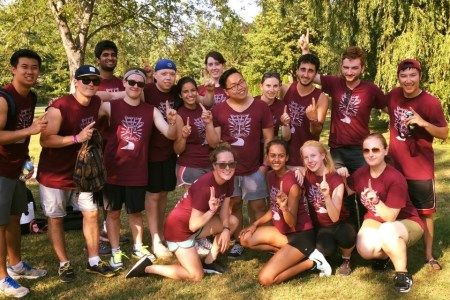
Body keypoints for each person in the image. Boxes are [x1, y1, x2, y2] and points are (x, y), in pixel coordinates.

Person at [37, 65, 115, 283]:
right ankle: (64, 263)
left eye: (95, 80)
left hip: (83, 173)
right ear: (76, 81)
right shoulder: (59, 107)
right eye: (86, 80)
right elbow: (45, 140)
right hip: (54, 174)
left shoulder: (96, 102)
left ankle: (93, 260)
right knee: (56, 218)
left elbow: (116, 95)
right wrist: (76, 138)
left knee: (91, 213)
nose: (91, 84)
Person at [300, 32, 386, 229]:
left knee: (365, 194)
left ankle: (368, 232)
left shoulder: (370, 89)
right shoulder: (334, 83)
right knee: (343, 194)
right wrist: (306, 51)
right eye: (346, 67)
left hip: (361, 151)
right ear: (341, 66)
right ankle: (348, 237)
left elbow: (389, 108)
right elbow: (311, 74)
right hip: (337, 151)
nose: (349, 71)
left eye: (354, 68)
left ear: (362, 68)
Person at [98, 69, 177, 271]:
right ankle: (115, 250)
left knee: (135, 213)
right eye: (131, 82)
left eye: (140, 84)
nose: (135, 86)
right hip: (113, 170)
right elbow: (89, 106)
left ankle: (138, 246)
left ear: (143, 88)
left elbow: (169, 134)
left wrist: (173, 121)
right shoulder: (110, 106)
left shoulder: (151, 110)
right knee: (113, 213)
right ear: (124, 82)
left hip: (137, 171)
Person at [126, 143, 239, 280]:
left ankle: (210, 262)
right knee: (196, 276)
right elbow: (193, 226)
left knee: (232, 221)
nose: (227, 168)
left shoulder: (229, 178)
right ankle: (147, 267)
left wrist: (226, 229)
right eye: (222, 164)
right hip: (179, 232)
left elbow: (225, 210)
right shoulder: (204, 186)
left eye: (231, 164)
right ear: (214, 166)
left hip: (197, 225)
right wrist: (211, 211)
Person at [239, 138, 331, 286]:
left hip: (300, 236)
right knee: (245, 238)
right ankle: (290, 255)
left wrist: (283, 207)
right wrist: (255, 224)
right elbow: (273, 209)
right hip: (284, 234)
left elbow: (291, 222)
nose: (276, 159)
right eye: (272, 155)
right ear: (267, 157)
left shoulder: (292, 184)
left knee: (265, 279)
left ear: (287, 157)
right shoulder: (270, 176)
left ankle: (312, 262)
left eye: (281, 156)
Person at [386, 59, 448, 271]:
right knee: (392, 210)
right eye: (404, 76)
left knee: (425, 213)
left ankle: (429, 255)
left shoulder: (430, 102)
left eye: (413, 75)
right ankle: (389, 250)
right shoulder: (394, 95)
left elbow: (444, 133)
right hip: (394, 166)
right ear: (399, 77)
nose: (408, 80)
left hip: (419, 169)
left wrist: (423, 123)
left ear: (420, 76)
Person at [207, 67, 274, 257]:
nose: (239, 87)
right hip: (230, 170)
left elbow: (269, 139)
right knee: (233, 204)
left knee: (258, 206)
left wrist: (264, 166)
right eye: (233, 86)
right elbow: (214, 143)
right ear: (226, 91)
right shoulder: (219, 110)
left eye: (241, 82)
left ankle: (261, 239)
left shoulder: (261, 106)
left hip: (255, 169)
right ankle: (239, 241)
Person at [347, 133, 424, 293]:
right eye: (366, 150)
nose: (370, 154)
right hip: (376, 221)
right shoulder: (361, 173)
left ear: (385, 151)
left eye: (375, 149)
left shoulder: (395, 177)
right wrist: (338, 173)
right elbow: (346, 190)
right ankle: (389, 253)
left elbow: (390, 217)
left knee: (387, 231)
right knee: (365, 248)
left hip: (406, 222)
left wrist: (376, 201)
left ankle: (402, 273)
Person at [0, 49, 47, 298]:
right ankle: (1, 278)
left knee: (14, 218)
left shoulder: (30, 97)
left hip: (15, 168)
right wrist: (30, 129)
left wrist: (26, 159)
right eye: (25, 67)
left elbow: (21, 135)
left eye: (34, 67)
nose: (30, 72)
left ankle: (16, 264)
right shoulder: (3, 98)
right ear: (13, 69)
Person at [300, 140, 356, 275]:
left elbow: (335, 217)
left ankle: (346, 259)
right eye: (306, 157)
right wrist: (296, 171)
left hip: (340, 223)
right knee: (326, 249)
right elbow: (289, 167)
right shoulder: (306, 174)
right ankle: (330, 248)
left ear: (323, 155)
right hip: (321, 226)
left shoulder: (335, 179)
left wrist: (326, 196)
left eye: (313, 156)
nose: (310, 161)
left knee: (346, 236)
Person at [280, 54, 328, 169]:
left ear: (316, 74)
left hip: (308, 160)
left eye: (310, 71)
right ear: (297, 71)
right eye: (303, 69)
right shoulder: (285, 89)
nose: (305, 75)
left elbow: (317, 132)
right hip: (285, 158)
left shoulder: (321, 98)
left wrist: (313, 119)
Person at [174, 77, 213, 188]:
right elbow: (177, 149)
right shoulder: (179, 115)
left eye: (193, 90)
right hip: (190, 166)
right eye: (185, 91)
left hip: (208, 162)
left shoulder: (203, 109)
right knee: (196, 203)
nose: (190, 94)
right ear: (180, 95)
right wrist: (184, 136)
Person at [254, 72, 290, 139]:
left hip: (270, 146)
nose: (272, 90)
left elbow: (286, 138)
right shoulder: (252, 103)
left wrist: (285, 124)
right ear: (261, 86)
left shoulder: (282, 106)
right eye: (268, 86)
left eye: (275, 86)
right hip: (253, 146)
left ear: (279, 87)